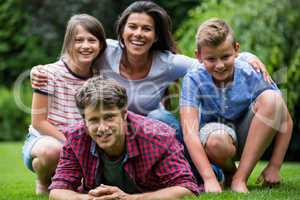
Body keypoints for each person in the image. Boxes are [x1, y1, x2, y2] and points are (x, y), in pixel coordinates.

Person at [31, 1, 270, 142]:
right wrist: (40, 71)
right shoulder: (106, 51)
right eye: (132, 27)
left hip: (151, 127)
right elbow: (74, 55)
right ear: (122, 30)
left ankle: (194, 170)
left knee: (159, 117)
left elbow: (210, 62)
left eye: (147, 29)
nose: (138, 34)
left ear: (156, 36)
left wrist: (245, 56)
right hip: (115, 126)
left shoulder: (167, 62)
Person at [180, 18, 293, 193]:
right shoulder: (193, 78)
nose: (219, 65)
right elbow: (189, 131)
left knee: (273, 99)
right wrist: (209, 178)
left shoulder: (251, 71)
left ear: (236, 50)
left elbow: (285, 117)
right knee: (216, 141)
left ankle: (240, 179)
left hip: (251, 134)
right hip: (216, 136)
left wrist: (275, 166)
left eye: (225, 56)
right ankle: (230, 172)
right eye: (211, 59)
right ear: (199, 56)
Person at [49, 76, 200, 200]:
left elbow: (187, 189)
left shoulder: (158, 137)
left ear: (124, 114)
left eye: (109, 117)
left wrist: (129, 199)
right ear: (84, 121)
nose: (102, 128)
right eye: (94, 120)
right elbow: (57, 191)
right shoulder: (76, 138)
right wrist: (89, 199)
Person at [22, 14, 107, 194]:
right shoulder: (47, 73)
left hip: (83, 143)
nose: (85, 45)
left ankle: (69, 180)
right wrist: (72, 144)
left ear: (100, 45)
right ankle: (44, 180)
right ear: (69, 43)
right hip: (45, 140)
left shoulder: (100, 78)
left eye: (91, 40)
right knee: (52, 151)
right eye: (78, 40)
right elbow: (39, 122)